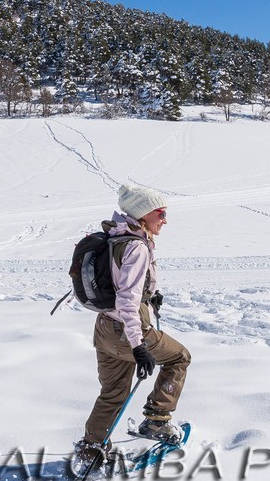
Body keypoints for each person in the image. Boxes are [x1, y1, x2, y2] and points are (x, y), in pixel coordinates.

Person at [75, 183, 191, 466]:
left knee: (113, 391)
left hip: (104, 329)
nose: (165, 219)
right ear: (143, 214)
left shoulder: (116, 238)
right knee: (179, 357)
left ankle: (91, 450)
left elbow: (121, 288)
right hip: (128, 331)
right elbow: (127, 301)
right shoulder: (136, 247)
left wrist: (150, 296)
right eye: (160, 213)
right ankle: (157, 420)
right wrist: (139, 346)